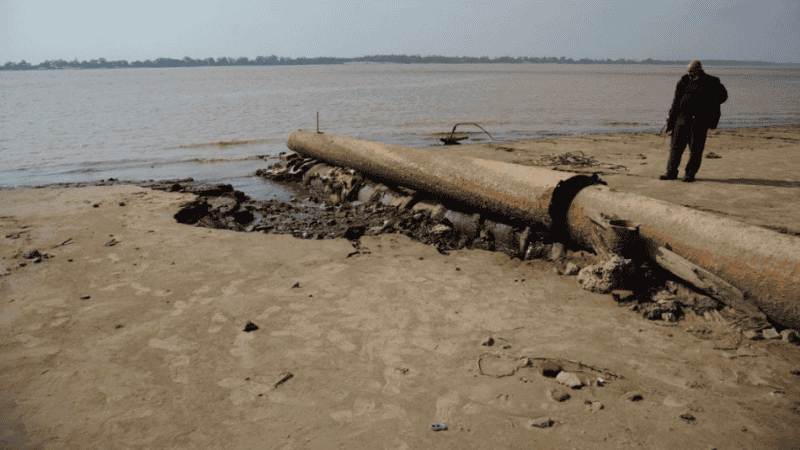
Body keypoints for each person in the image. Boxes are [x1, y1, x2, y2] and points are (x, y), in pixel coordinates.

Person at [660, 60, 728, 182]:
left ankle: (689, 174)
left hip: (699, 121)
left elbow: (723, 96)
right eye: (688, 71)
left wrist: (709, 104)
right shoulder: (683, 81)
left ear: (698, 70)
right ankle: (671, 172)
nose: (689, 74)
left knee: (695, 150)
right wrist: (671, 115)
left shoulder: (711, 81)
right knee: (675, 148)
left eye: (691, 72)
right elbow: (676, 101)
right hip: (681, 119)